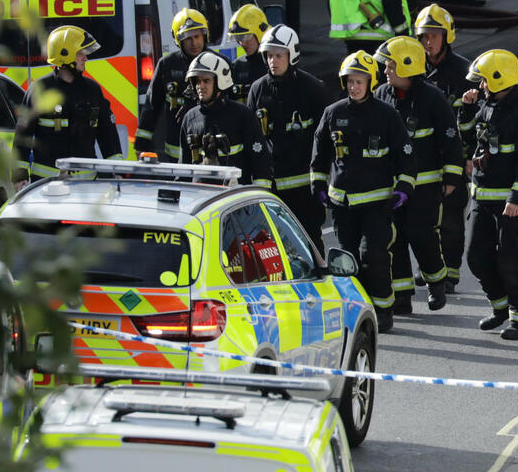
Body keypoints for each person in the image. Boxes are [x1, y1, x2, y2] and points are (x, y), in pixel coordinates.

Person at [310, 51, 416, 333]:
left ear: (370, 82)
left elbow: (405, 154)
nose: (353, 87)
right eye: (349, 82)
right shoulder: (333, 114)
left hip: (377, 203)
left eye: (359, 81)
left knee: (375, 256)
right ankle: (354, 310)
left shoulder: (386, 115)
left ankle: (383, 310)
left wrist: (404, 186)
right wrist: (318, 186)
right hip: (342, 205)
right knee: (346, 260)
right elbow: (320, 154)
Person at [374, 36, 463, 313]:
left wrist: (451, 177)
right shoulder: (382, 95)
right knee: (395, 238)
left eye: (390, 66)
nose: (385, 71)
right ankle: (401, 296)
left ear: (407, 66)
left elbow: (451, 139)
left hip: (425, 184)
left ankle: (436, 281)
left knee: (421, 234)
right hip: (394, 185)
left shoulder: (433, 98)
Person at [459, 49, 518, 340]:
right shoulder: (487, 105)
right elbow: (469, 138)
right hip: (482, 197)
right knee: (476, 257)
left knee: (511, 259)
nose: (480, 86)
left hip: (509, 203)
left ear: (499, 79)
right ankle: (500, 307)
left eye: (484, 81)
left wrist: (517, 198)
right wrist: (467, 110)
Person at [246, 25, 336, 254]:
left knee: (310, 245)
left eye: (278, 55)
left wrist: (324, 180)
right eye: (269, 55)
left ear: (292, 54)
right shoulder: (258, 90)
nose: (272, 61)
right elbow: (251, 138)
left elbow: (327, 141)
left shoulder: (313, 90)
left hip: (304, 189)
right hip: (271, 188)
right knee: (271, 247)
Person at [15, 25, 123, 185]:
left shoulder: (92, 90)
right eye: (80, 54)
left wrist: (117, 171)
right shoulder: (40, 90)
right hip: (47, 186)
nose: (85, 58)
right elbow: (22, 137)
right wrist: (19, 177)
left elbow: (107, 134)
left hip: (87, 186)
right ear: (64, 55)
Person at [415, 4, 471, 292]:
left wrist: (471, 155)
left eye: (434, 35)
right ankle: (431, 269)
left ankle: (450, 273)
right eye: (424, 36)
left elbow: (479, 118)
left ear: (446, 36)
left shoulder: (464, 72)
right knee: (425, 220)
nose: (428, 42)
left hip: (454, 158)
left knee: (450, 220)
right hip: (424, 159)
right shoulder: (413, 68)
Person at [178, 52, 272, 187]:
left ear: (220, 82)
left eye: (206, 81)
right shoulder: (190, 118)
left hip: (237, 197)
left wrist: (259, 196)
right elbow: (183, 168)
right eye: (197, 81)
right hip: (202, 198)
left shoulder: (241, 114)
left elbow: (260, 162)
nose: (200, 86)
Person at [136, 8, 211, 161]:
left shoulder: (217, 63)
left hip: (210, 151)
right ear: (178, 40)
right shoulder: (167, 65)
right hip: (176, 152)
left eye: (197, 36)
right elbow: (152, 105)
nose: (194, 43)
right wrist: (141, 143)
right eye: (188, 38)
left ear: (205, 36)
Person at [226, 4, 270, 105]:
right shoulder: (238, 65)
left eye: (246, 37)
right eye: (238, 38)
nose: (242, 43)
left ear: (260, 33)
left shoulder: (274, 63)